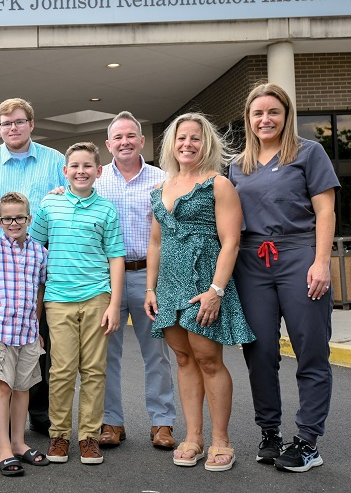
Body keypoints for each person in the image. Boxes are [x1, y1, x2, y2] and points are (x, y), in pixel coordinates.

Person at [229, 84, 338, 473]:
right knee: (259, 351)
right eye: (258, 113)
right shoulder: (237, 165)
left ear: (286, 115)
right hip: (251, 261)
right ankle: (270, 432)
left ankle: (308, 440)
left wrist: (321, 261)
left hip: (299, 255)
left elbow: (326, 211)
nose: (265, 119)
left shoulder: (310, 153)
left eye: (273, 112)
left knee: (310, 350)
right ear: (248, 118)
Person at [144, 113, 255, 472]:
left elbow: (231, 241)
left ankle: (221, 440)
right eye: (181, 139)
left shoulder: (219, 184)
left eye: (194, 138)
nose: (187, 144)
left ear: (205, 143)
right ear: (171, 145)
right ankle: (193, 437)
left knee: (208, 359)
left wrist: (216, 291)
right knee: (184, 359)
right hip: (169, 286)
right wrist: (150, 288)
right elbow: (156, 242)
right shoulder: (161, 188)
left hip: (205, 283)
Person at [0, 97, 66, 441]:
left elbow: (71, 198)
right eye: (6, 123)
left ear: (31, 124)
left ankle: (38, 412)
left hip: (39, 254)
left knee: (38, 337)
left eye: (19, 121)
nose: (13, 128)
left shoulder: (55, 161)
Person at [29, 141, 124, 465]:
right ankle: (59, 435)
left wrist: (114, 303)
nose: (81, 171)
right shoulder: (49, 205)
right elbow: (32, 246)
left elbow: (115, 258)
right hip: (58, 299)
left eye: (88, 166)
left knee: (95, 370)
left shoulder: (107, 209)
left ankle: (88, 437)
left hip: (97, 296)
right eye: (75, 166)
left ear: (98, 172)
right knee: (62, 370)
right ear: (65, 171)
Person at [95, 111, 177, 450]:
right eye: (118, 137)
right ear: (108, 144)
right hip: (106, 278)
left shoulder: (163, 178)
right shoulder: (96, 181)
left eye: (131, 136)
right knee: (105, 355)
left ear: (142, 141)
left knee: (156, 353)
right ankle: (112, 422)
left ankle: (162, 423)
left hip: (149, 277)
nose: (125, 142)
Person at [0, 192, 50, 476]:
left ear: (29, 219)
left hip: (29, 332)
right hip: (2, 330)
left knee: (23, 389)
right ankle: (4, 447)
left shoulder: (39, 253)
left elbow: (40, 289)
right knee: (2, 386)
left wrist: (38, 325)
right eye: (8, 218)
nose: (14, 222)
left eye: (19, 217)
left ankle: (19, 442)